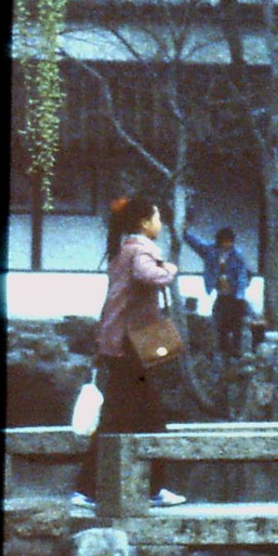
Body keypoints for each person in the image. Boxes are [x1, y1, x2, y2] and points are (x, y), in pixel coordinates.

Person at [76, 196, 187, 510]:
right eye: (156, 217)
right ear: (143, 222)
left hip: (121, 345)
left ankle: (95, 488)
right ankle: (148, 488)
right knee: (141, 415)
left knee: (127, 416)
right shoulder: (140, 249)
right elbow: (150, 275)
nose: (160, 223)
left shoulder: (124, 249)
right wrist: (170, 268)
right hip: (130, 346)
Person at [183, 225, 251, 357]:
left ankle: (236, 351)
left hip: (235, 295)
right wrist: (185, 233)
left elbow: (242, 275)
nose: (227, 244)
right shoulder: (211, 250)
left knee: (237, 325)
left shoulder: (237, 255)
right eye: (224, 242)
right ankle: (223, 351)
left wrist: (240, 294)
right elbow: (197, 243)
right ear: (219, 241)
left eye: (229, 242)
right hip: (221, 293)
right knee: (221, 323)